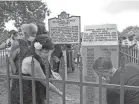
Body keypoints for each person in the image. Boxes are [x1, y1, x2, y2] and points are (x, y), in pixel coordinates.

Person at [10, 35, 66, 104]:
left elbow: (42, 67)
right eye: (46, 52)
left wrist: (52, 72)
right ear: (38, 50)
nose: (48, 55)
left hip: (31, 91)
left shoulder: (34, 54)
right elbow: (45, 82)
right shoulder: (31, 62)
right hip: (25, 95)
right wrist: (60, 93)